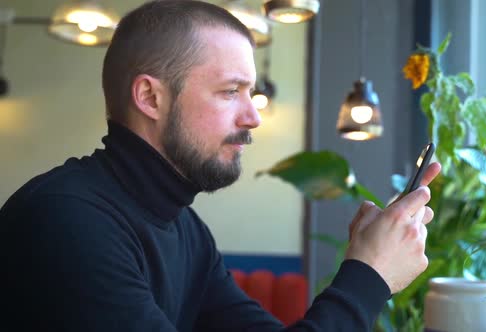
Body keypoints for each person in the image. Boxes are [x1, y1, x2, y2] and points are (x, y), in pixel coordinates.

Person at [0, 1, 441, 331]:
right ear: (150, 98)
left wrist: (368, 258)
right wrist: (369, 275)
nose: (252, 117)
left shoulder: (185, 228)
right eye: (231, 91)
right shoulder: (65, 222)